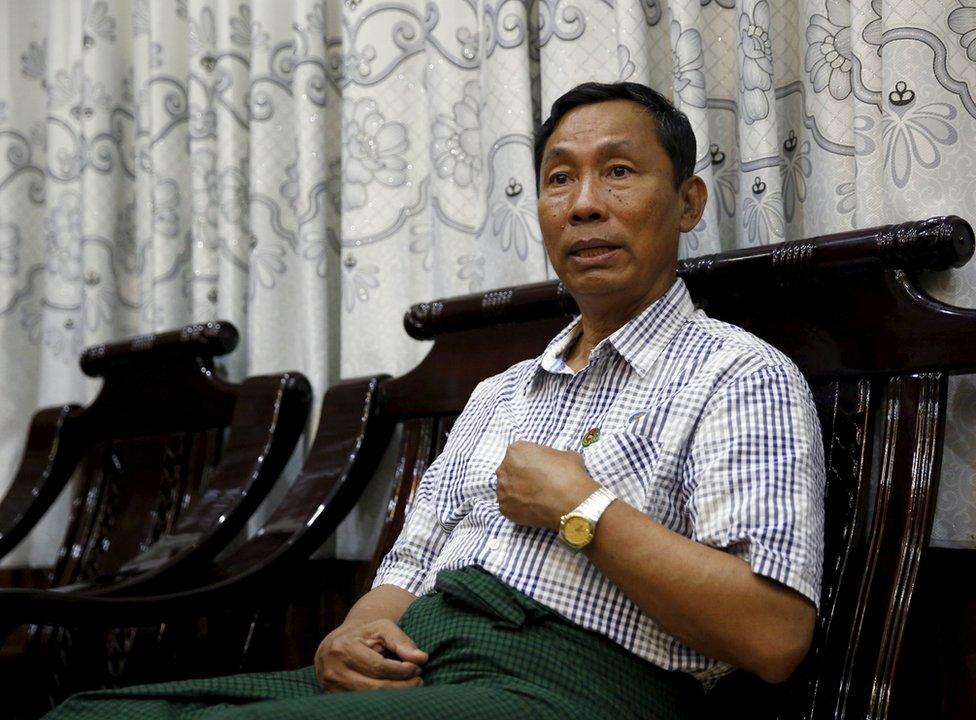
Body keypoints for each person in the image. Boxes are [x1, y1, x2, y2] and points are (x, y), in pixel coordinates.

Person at [47, 81, 824, 720]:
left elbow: (774, 633)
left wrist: (581, 508)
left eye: (619, 172)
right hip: (427, 666)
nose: (584, 204)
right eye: (560, 178)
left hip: (569, 686)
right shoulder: (501, 395)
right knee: (85, 714)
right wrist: (350, 637)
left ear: (687, 203)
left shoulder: (737, 373)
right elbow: (410, 565)